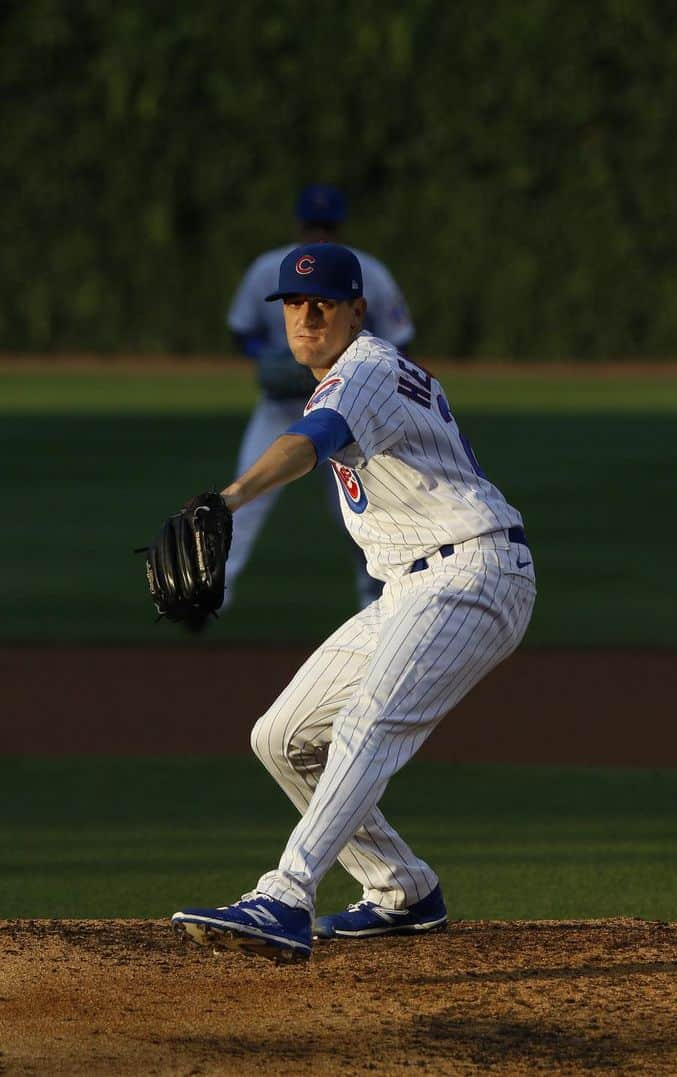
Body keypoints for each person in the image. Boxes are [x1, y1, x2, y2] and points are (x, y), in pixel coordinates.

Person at [171, 244, 535, 962]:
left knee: (367, 717)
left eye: (323, 303)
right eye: (293, 305)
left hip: (475, 573)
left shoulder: (363, 366)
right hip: (419, 585)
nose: (306, 316)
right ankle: (401, 889)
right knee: (281, 736)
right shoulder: (354, 372)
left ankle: (284, 894)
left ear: (355, 310)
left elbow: (313, 441)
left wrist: (230, 498)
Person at [224, 184, 415, 610]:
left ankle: (379, 598)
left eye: (326, 227)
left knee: (363, 515)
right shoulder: (268, 268)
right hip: (281, 408)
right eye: (313, 225)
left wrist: (353, 369)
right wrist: (268, 357)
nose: (319, 234)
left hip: (350, 410)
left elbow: (400, 339)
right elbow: (241, 330)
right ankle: (211, 596)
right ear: (299, 224)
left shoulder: (369, 273)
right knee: (245, 509)